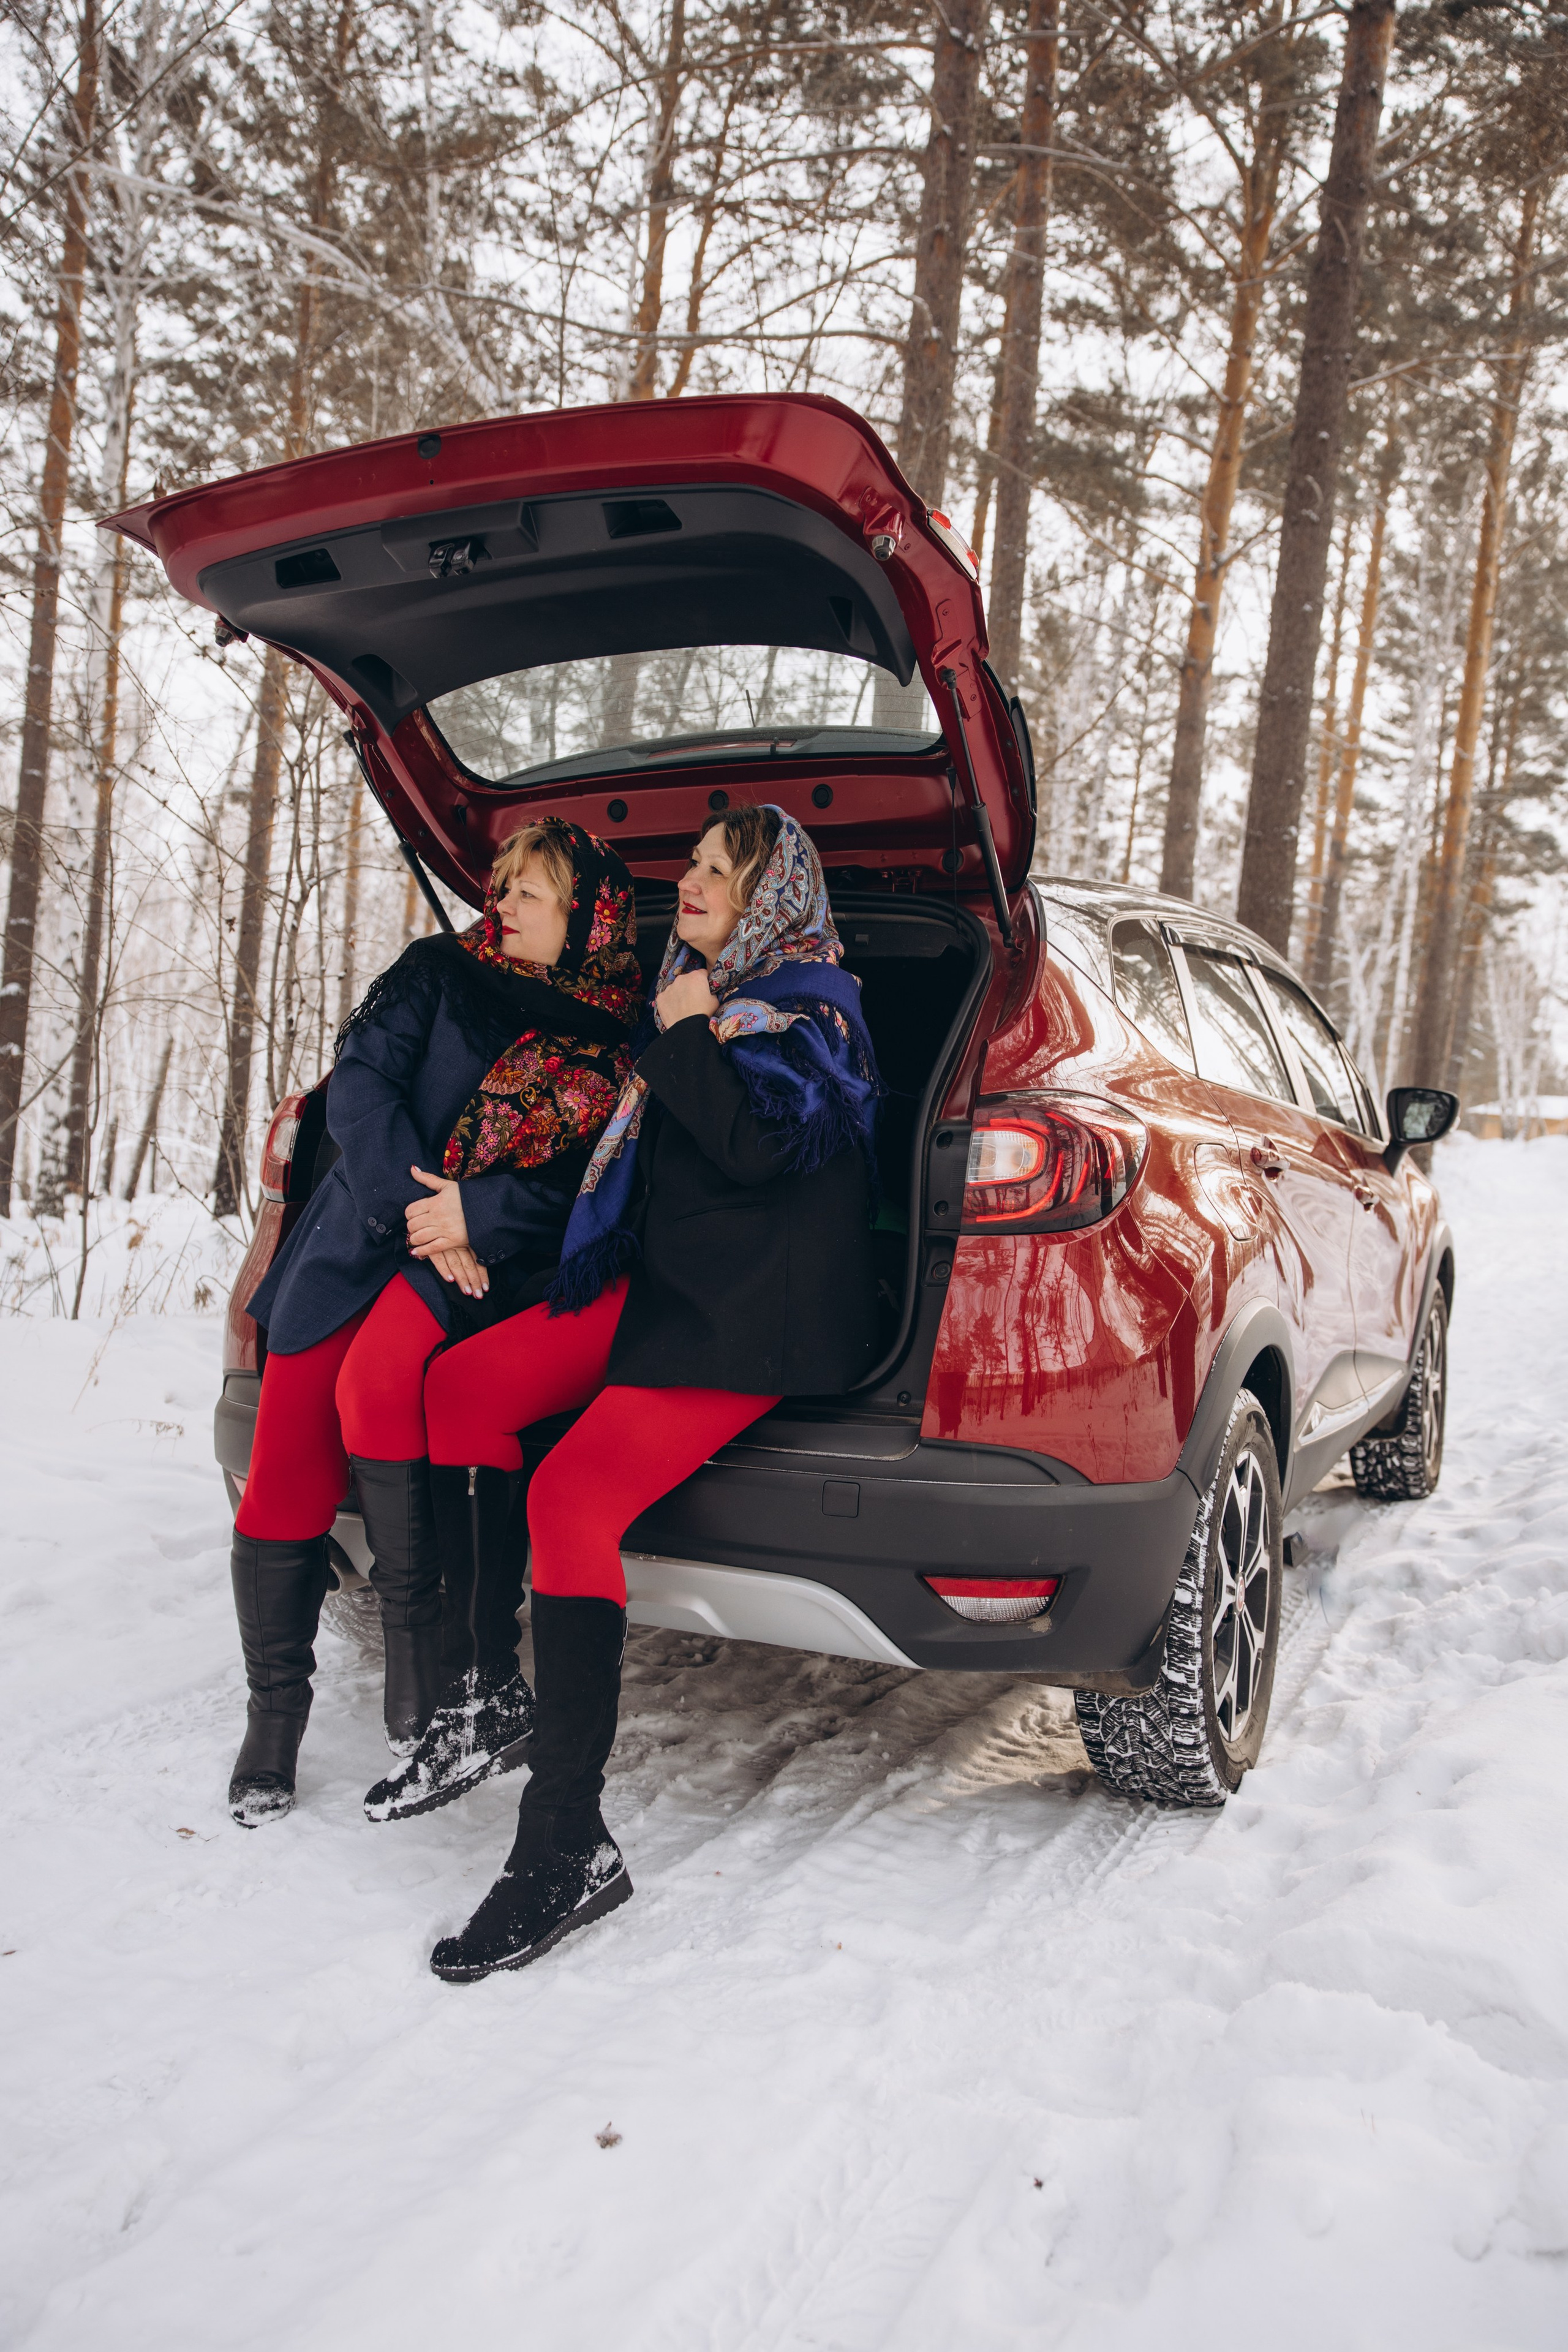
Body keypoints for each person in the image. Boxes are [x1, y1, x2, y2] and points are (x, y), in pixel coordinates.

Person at [398, 804, 883, 1981]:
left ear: (770, 894)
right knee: (459, 1390)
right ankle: (489, 1689)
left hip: (743, 1318)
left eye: (720, 869)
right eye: (696, 866)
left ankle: (565, 1845)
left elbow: (759, 1149)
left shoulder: (815, 1011)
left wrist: (686, 1034)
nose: (694, 883)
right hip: (666, 1278)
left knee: (570, 1502)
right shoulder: (696, 991)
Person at [227, 820, 642, 1828]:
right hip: (367, 1233)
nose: (501, 905)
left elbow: (591, 1192)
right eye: (499, 885)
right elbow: (360, 1091)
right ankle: (273, 1718)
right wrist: (418, 1207)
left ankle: (424, 1683)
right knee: (286, 1454)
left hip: (480, 1266)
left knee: (385, 1394)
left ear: (587, 911)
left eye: (530, 892)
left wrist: (479, 1217)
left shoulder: (619, 1037)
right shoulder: (438, 971)